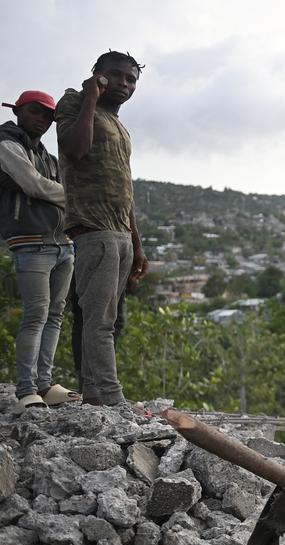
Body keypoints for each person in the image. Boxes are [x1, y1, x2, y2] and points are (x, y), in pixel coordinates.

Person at [55, 50, 148, 407]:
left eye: (132, 79)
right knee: (100, 320)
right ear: (98, 74)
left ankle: (96, 393)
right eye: (117, 75)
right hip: (93, 229)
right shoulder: (75, 102)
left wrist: (137, 244)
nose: (125, 84)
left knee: (109, 318)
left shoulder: (119, 125)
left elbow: (124, 188)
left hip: (120, 231)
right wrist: (91, 96)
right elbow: (74, 149)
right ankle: (110, 396)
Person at [1, 90, 77, 409]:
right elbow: (33, 185)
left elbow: (44, 187)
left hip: (62, 244)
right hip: (31, 241)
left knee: (55, 315)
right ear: (19, 111)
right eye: (36, 112)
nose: (43, 120)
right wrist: (74, 196)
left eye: (48, 115)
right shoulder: (7, 144)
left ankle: (44, 385)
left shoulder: (46, 153)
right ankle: (25, 389)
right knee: (36, 314)